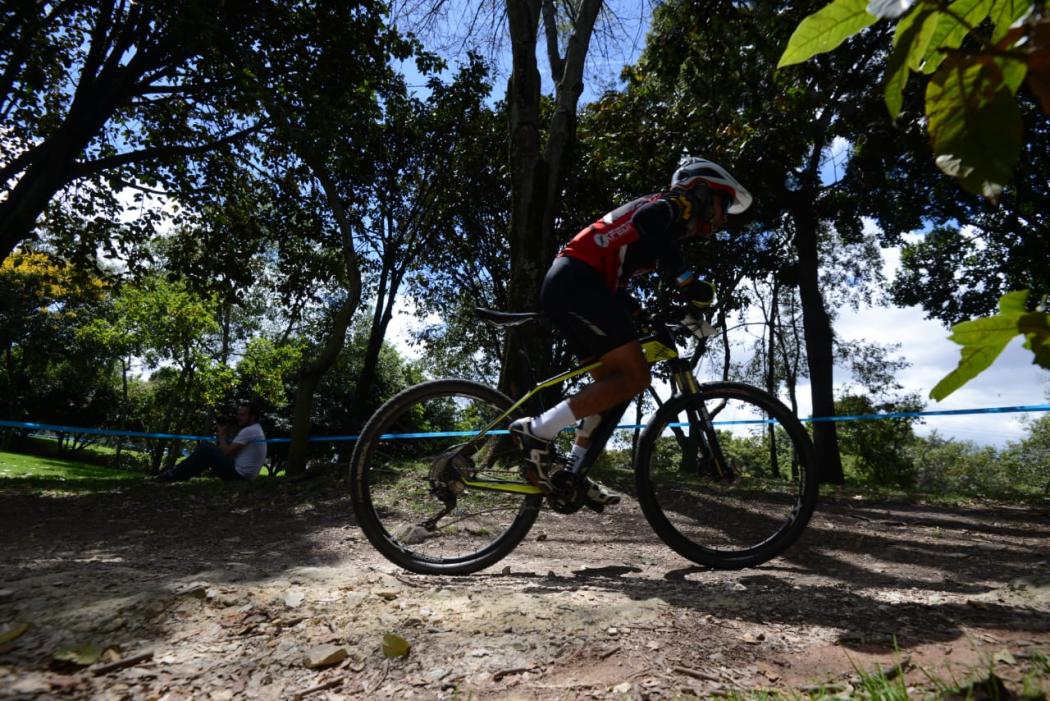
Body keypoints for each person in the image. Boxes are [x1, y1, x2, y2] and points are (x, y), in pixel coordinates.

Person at [509, 156, 752, 507]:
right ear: (700, 190)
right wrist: (686, 281)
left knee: (611, 388)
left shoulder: (660, 229)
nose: (724, 216)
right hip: (578, 281)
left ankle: (573, 473)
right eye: (723, 203)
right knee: (635, 377)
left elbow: (617, 282)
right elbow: (645, 221)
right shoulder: (673, 205)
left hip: (578, 282)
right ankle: (539, 428)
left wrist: (642, 313)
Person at [155, 402, 267, 482]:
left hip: (239, 476)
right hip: (245, 475)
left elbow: (227, 453)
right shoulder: (256, 429)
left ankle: (174, 474)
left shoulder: (248, 431)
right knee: (208, 450)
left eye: (242, 415)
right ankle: (179, 474)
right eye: (238, 414)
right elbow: (231, 453)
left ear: (252, 417)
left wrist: (222, 435)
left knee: (206, 449)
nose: (238, 417)